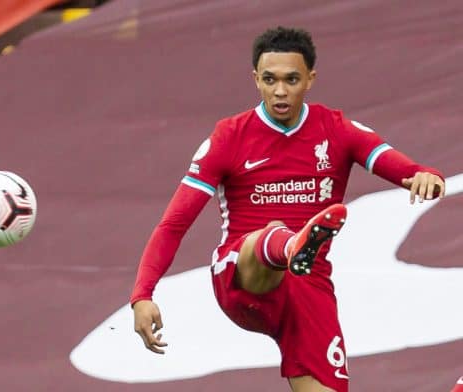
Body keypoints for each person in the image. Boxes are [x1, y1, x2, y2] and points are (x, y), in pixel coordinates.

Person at [129, 26, 445, 392]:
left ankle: (297, 247)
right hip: (243, 277)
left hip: (307, 289)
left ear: (310, 78)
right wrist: (142, 294)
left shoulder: (336, 129)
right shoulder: (229, 136)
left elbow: (409, 170)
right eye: (269, 80)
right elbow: (174, 224)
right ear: (255, 80)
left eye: (291, 79)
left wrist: (428, 177)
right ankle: (290, 245)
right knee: (270, 235)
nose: (280, 91)